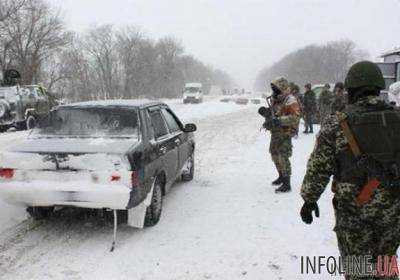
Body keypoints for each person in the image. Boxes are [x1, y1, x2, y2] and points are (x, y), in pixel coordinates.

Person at [300, 61, 400, 279]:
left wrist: (309, 199)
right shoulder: (397, 118)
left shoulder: (337, 123)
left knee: (358, 268)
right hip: (393, 209)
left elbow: (320, 166)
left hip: (355, 211)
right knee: (386, 263)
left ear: (351, 89)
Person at [268, 77, 301, 193]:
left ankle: (287, 183)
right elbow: (274, 114)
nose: (274, 91)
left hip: (285, 132)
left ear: (282, 87)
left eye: (276, 88)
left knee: (283, 156)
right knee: (274, 154)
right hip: (276, 132)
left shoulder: (290, 100)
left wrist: (280, 120)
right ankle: (281, 175)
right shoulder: (276, 99)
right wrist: (268, 120)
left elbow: (295, 117)